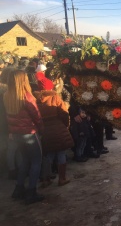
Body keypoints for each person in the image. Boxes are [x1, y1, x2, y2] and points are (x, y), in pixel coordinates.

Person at [3, 68, 44, 204]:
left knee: (25, 161)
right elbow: (37, 116)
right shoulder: (27, 97)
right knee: (36, 161)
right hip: (29, 134)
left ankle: (19, 189)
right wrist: (41, 129)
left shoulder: (7, 96)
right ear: (23, 80)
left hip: (16, 134)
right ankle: (31, 192)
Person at [33, 76, 74, 187]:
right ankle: (62, 178)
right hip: (58, 127)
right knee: (61, 153)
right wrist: (65, 125)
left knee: (49, 155)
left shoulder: (35, 99)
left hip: (44, 130)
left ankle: (46, 179)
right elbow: (64, 113)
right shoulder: (55, 97)